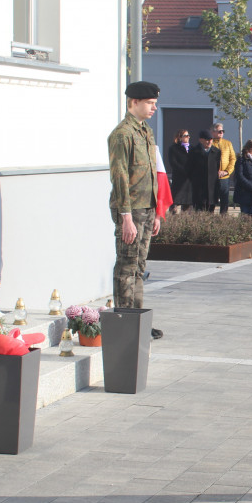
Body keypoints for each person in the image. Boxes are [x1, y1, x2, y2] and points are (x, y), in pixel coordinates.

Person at [107, 80, 163, 340]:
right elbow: (119, 176)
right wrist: (126, 217)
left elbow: (151, 173)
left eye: (154, 103)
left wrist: (157, 211)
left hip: (146, 208)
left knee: (139, 267)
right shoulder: (122, 134)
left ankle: (137, 321)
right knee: (126, 267)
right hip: (130, 210)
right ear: (134, 102)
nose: (154, 107)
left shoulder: (145, 131)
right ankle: (124, 323)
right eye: (150, 103)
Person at [186, 131, 220, 212]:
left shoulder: (216, 151)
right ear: (201, 140)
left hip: (212, 187)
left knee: (210, 210)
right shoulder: (194, 151)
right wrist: (195, 179)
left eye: (211, 139)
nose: (209, 142)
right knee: (199, 210)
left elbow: (217, 167)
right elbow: (188, 168)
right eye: (207, 139)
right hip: (198, 187)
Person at [232, 139, 252, 216]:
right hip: (244, 192)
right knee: (245, 213)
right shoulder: (242, 160)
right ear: (249, 148)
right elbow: (240, 175)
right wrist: (251, 187)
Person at [211, 123, 236, 213]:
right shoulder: (210, 143)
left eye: (223, 131)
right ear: (213, 132)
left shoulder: (227, 143)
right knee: (211, 200)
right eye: (219, 131)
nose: (221, 133)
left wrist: (226, 171)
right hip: (212, 177)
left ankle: (223, 219)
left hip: (224, 177)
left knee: (224, 200)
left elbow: (232, 159)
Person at [167, 129, 192, 213]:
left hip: (189, 179)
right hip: (179, 177)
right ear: (180, 137)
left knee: (187, 201)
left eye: (188, 135)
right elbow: (173, 162)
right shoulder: (173, 148)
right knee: (175, 199)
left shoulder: (192, 148)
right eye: (185, 135)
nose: (188, 137)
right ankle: (173, 215)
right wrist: (184, 170)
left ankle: (185, 218)